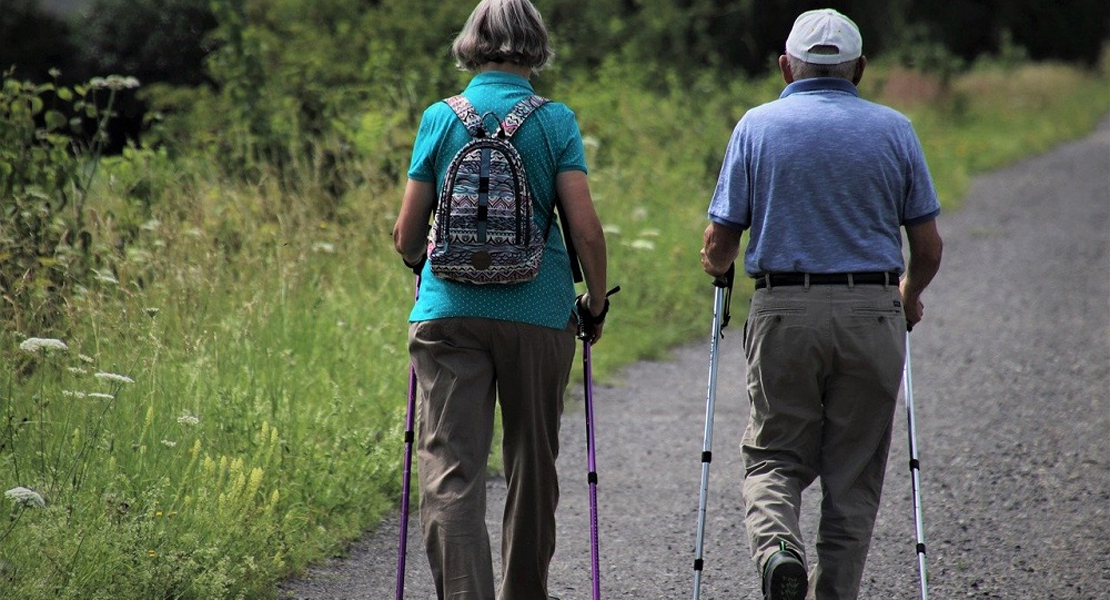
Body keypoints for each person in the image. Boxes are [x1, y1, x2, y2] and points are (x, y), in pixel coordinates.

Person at [699, 8, 943, 600]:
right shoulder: (895, 129)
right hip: (873, 309)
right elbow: (928, 247)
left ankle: (779, 545)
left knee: (774, 457)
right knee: (853, 479)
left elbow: (720, 242)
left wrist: (717, 264)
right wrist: (907, 297)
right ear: (860, 68)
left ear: (786, 66)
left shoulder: (758, 126)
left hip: (786, 311)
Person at [391, 1, 609, 598]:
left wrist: (421, 264)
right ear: (534, 45)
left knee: (451, 471)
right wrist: (592, 302)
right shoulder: (556, 121)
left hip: (450, 315)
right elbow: (585, 230)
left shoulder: (440, 117)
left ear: (471, 43)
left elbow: (407, 235)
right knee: (531, 467)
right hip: (538, 313)